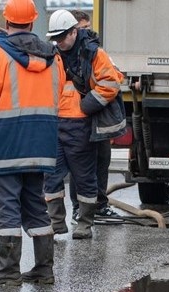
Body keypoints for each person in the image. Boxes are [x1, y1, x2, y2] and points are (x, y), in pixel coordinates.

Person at [0, 0, 64, 285]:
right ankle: (44, 268)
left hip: (5, 144)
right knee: (36, 206)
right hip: (41, 144)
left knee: (5, 206)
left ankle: (8, 270)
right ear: (33, 23)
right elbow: (60, 97)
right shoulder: (54, 58)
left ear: (6, 23)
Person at [44, 10, 122, 239]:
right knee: (52, 176)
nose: (59, 42)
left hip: (81, 125)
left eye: (62, 37)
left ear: (74, 31)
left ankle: (85, 222)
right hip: (56, 123)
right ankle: (56, 222)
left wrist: (86, 106)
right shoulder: (52, 54)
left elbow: (110, 82)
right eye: (55, 38)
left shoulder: (94, 53)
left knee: (84, 177)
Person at [67, 9, 123, 224]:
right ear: (71, 31)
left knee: (101, 161)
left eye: (88, 28)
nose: (87, 33)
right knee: (80, 167)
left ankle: (99, 206)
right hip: (78, 119)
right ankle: (78, 208)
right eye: (82, 29)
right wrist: (84, 107)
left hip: (98, 118)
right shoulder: (66, 55)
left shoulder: (96, 52)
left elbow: (115, 77)